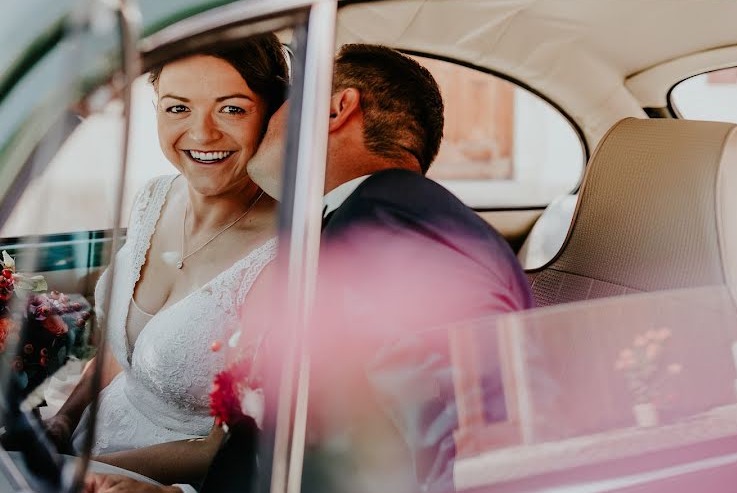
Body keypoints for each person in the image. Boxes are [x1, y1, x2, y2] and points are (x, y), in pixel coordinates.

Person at [86, 44, 533, 492]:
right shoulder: (362, 222)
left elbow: (428, 463)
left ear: (335, 109)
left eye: (288, 103)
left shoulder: (403, 243)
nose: (271, 122)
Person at [45, 33, 289, 487]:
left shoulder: (281, 258)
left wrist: (86, 473)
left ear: (271, 114)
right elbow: (122, 352)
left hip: (158, 479)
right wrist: (62, 421)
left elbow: (230, 451)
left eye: (232, 108)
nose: (202, 134)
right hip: (88, 441)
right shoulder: (153, 198)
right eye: (178, 108)